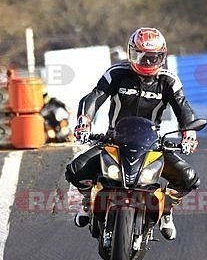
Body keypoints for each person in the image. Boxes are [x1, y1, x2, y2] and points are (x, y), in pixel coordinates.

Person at [64, 27, 200, 240]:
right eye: (141, 56)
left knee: (188, 178)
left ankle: (166, 210)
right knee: (75, 170)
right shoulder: (116, 73)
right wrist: (84, 122)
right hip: (113, 141)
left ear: (162, 56)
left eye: (153, 57)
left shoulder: (169, 81)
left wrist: (189, 133)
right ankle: (87, 201)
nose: (147, 62)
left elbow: (183, 107)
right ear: (131, 53)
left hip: (152, 145)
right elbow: (95, 96)